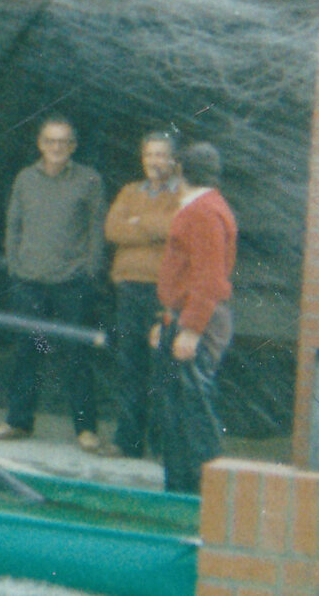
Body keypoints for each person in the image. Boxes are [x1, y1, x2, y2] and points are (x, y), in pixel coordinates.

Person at [0, 116, 106, 451]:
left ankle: (86, 429)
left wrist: (90, 271)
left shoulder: (89, 180)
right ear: (40, 144)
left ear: (73, 146)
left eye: (63, 142)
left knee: (75, 355)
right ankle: (18, 421)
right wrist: (15, 264)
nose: (56, 148)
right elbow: (14, 224)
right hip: (29, 282)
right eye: (50, 141)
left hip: (71, 283)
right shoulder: (26, 179)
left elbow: (96, 230)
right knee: (28, 352)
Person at [150, 141, 237, 494]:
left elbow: (208, 278)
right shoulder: (206, 207)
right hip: (183, 317)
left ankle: (202, 495)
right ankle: (184, 491)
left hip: (195, 321)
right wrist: (167, 318)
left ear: (180, 171)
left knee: (193, 413)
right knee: (179, 411)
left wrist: (190, 329)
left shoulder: (202, 212)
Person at [103, 130, 183, 459]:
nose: (154, 162)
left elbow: (175, 227)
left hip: (163, 291)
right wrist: (153, 228)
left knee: (163, 367)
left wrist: (138, 223)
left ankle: (163, 443)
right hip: (128, 289)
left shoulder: (181, 196)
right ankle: (128, 441)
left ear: (174, 160)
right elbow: (112, 230)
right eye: (149, 155)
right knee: (129, 366)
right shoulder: (128, 191)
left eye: (161, 155)